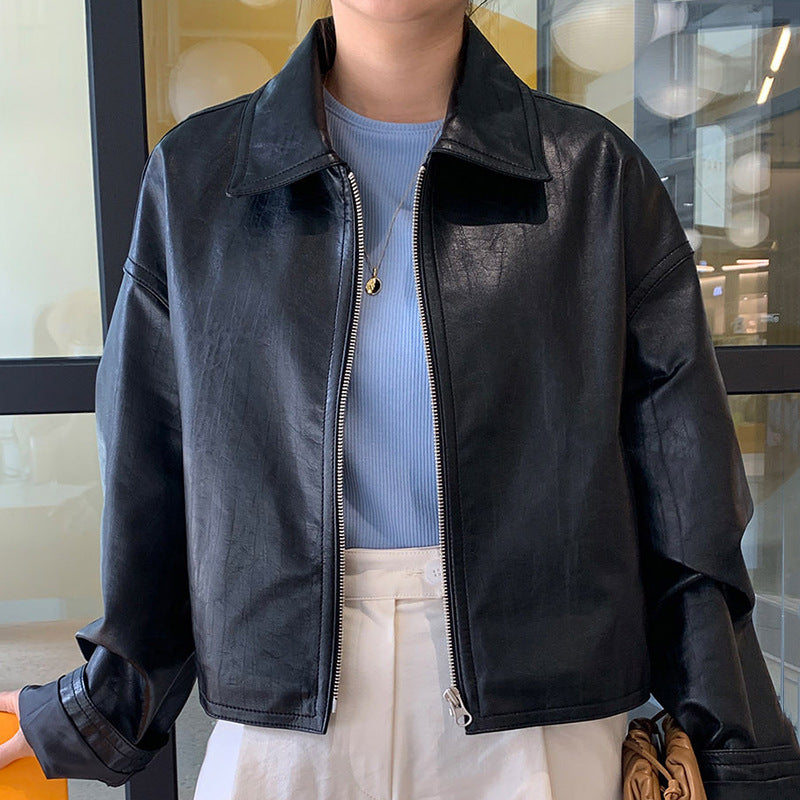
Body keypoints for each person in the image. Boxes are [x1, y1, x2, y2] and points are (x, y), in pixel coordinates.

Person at [3, 1, 800, 798]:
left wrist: (736, 746)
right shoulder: (199, 176)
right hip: (285, 719)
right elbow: (153, 471)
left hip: (539, 720)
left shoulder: (593, 174)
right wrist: (95, 707)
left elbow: (684, 498)